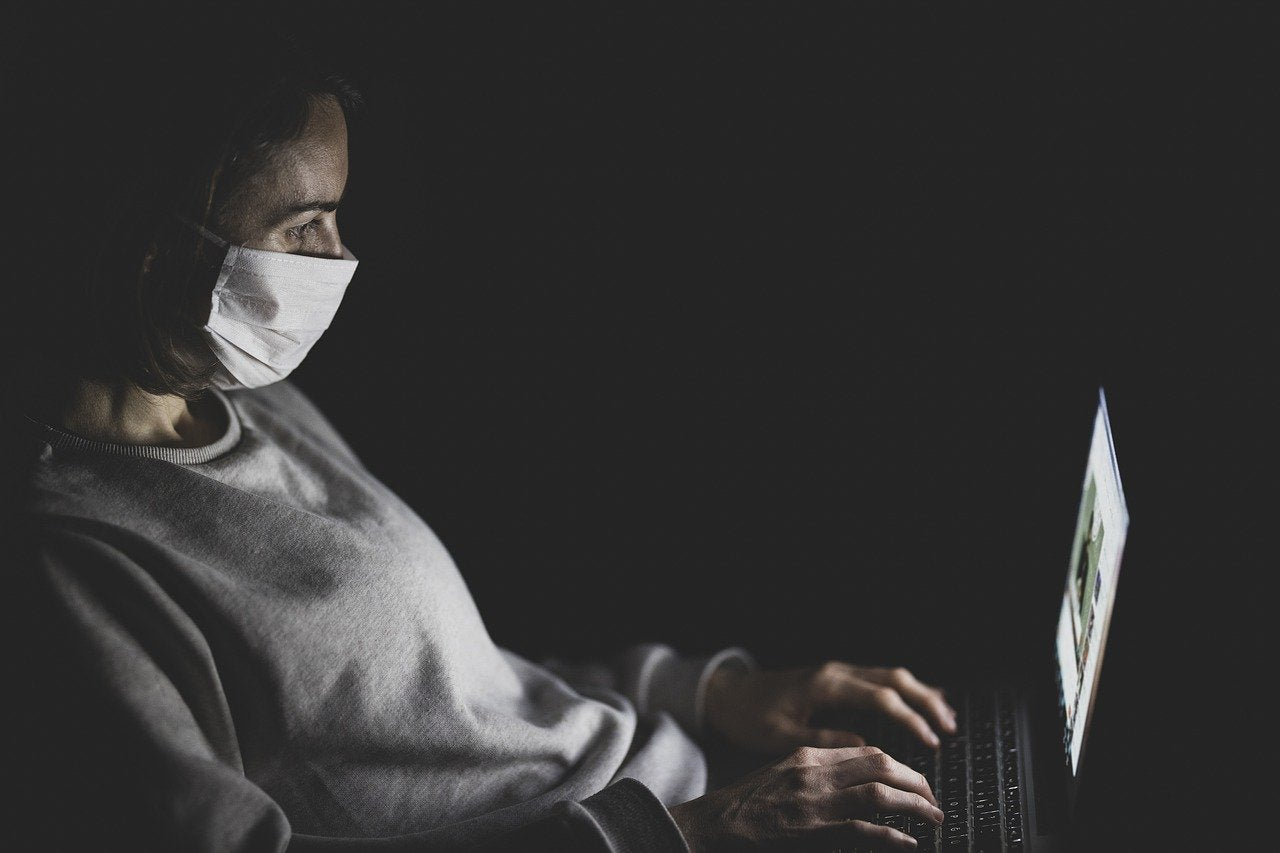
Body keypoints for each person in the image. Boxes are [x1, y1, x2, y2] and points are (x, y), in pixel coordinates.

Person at [4, 20, 955, 853]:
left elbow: (459, 700)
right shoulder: (65, 560)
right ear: (152, 251)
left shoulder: (244, 401)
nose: (341, 257)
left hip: (707, 796)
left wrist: (707, 697)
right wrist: (688, 833)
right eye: (306, 227)